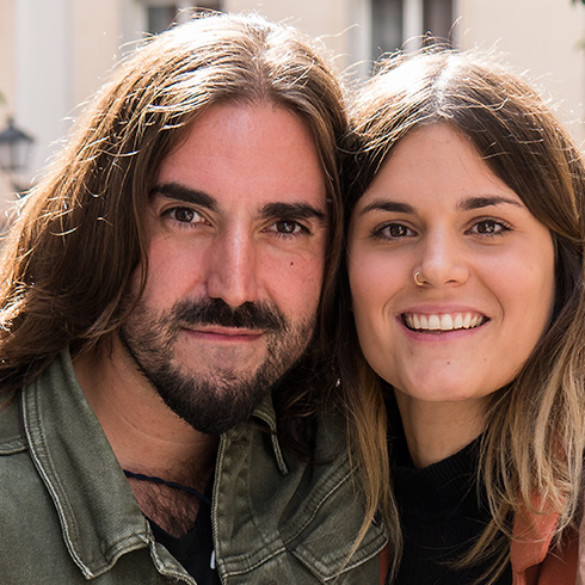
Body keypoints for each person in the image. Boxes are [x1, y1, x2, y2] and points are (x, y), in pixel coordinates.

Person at [0, 12, 388, 584]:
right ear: (105, 223)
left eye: (285, 226)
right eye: (186, 216)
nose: (233, 286)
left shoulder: (361, 466)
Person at [337, 48, 585, 584]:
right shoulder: (274, 514)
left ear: (564, 264)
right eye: (394, 229)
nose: (437, 268)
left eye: (488, 225)